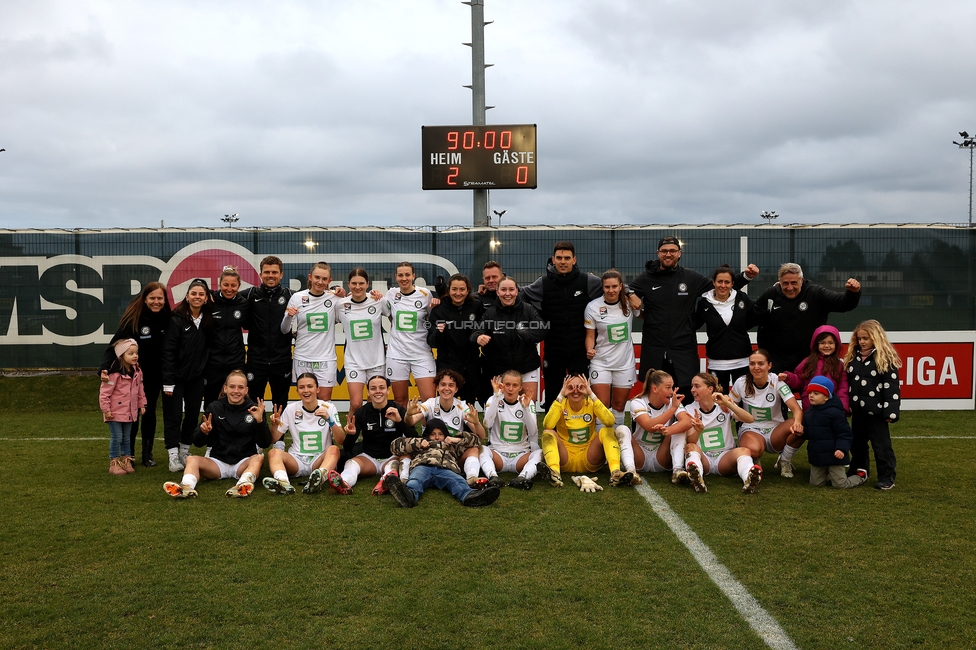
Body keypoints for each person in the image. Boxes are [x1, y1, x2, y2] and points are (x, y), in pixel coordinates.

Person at [630, 237, 758, 401]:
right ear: (658, 253)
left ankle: (683, 427)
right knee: (653, 398)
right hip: (654, 348)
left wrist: (746, 276)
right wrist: (630, 294)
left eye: (672, 251)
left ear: (679, 253)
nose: (668, 254)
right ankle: (649, 426)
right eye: (664, 251)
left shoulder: (691, 277)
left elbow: (720, 287)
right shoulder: (646, 278)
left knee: (686, 398)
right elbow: (620, 287)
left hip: (683, 350)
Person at [521, 242, 635, 410]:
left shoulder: (588, 281)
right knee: (553, 395)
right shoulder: (543, 283)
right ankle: (551, 433)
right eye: (559, 258)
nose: (563, 262)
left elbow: (613, 284)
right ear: (553, 260)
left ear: (574, 260)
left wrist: (630, 293)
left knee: (583, 396)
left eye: (567, 258)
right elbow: (519, 293)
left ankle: (584, 432)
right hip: (554, 350)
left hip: (580, 352)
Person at [163, 370, 270, 498]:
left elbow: (265, 443)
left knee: (259, 458)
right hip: (218, 463)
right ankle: (186, 487)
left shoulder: (254, 409)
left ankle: (242, 485)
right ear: (225, 388)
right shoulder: (215, 407)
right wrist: (204, 432)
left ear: (246, 390)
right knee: (191, 459)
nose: (236, 391)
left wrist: (260, 422)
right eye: (232, 387)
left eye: (240, 387)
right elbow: (197, 442)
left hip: (243, 463)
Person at [98, 281, 170, 467]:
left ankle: (148, 453)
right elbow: (115, 345)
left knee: (149, 412)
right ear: (145, 299)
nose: (156, 302)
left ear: (165, 299)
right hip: (134, 377)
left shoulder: (169, 318)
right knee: (132, 413)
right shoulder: (134, 319)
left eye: (160, 298)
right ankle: (128, 455)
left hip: (157, 375)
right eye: (152, 298)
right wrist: (104, 368)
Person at [754, 262, 861, 373]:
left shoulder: (815, 293)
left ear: (802, 280)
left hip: (810, 361)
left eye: (794, 283)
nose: (790, 288)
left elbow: (843, 303)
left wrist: (853, 293)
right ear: (779, 282)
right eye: (785, 283)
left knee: (810, 391)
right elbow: (751, 316)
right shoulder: (770, 295)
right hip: (778, 363)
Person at [535, 374, 633, 490]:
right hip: (566, 458)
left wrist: (591, 394)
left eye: (580, 387)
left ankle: (616, 473)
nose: (576, 390)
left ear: (586, 388)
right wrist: (561, 394)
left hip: (589, 457)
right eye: (571, 387)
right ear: (565, 388)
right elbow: (548, 425)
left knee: (607, 430)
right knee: (548, 432)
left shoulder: (591, 403)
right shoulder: (560, 404)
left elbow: (610, 421)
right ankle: (554, 472)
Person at [776, 325, 848, 475]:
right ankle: (784, 460)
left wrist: (842, 408)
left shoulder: (840, 365)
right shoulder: (808, 362)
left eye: (830, 342)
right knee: (800, 434)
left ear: (837, 345)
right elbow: (799, 381)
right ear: (816, 344)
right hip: (811, 411)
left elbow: (843, 388)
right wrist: (788, 377)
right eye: (822, 342)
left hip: (832, 413)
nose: (826, 346)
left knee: (832, 437)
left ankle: (833, 465)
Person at [382, 418, 501, 508]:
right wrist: (418, 442)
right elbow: (394, 446)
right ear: (428, 434)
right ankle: (409, 495)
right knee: (415, 480)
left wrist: (456, 439)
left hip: (446, 469)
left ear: (445, 434)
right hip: (423, 466)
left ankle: (470, 496)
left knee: (457, 481)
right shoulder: (421, 443)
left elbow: (476, 441)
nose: (437, 437)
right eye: (433, 434)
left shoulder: (452, 446)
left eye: (440, 434)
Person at [261, 373, 346, 496]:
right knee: (273, 453)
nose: (306, 390)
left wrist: (329, 419)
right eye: (301, 387)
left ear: (317, 389)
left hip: (319, 459)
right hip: (296, 460)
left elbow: (341, 440)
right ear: (297, 391)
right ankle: (283, 482)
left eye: (310, 386)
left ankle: (319, 478)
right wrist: (274, 425)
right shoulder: (291, 409)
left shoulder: (329, 407)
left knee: (334, 449)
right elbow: (274, 438)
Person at [161, 278, 213, 473]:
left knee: (192, 415)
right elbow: (168, 352)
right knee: (173, 416)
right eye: (194, 293)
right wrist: (168, 381)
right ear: (187, 296)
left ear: (206, 298)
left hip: (196, 378)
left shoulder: (208, 320)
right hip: (175, 378)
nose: (197, 297)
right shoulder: (176, 319)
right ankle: (173, 456)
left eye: (201, 294)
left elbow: (208, 350)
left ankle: (184, 450)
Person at [681, 373, 761, 494]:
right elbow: (691, 441)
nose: (692, 390)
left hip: (725, 458)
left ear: (710, 389)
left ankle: (749, 478)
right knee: (689, 447)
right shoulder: (689, 409)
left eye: (697, 386)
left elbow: (749, 419)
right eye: (692, 386)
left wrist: (729, 404)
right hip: (704, 458)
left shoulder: (723, 405)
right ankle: (697, 477)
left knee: (744, 450)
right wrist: (699, 430)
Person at [844, 319, 901, 490]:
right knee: (857, 444)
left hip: (877, 414)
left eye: (866, 338)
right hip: (858, 412)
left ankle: (887, 476)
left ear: (876, 338)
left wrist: (890, 413)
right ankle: (859, 470)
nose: (862, 342)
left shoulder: (885, 360)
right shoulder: (852, 359)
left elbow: (891, 389)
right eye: (859, 338)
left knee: (881, 446)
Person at [337, 375, 416, 495]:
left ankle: (385, 481)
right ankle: (344, 483)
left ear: (388, 390)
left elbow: (414, 438)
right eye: (373, 388)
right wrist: (351, 435)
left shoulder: (397, 409)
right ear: (368, 392)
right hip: (369, 458)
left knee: (394, 466)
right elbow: (347, 448)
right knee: (351, 464)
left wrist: (400, 421)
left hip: (392, 456)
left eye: (382, 387)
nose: (378, 391)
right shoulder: (362, 412)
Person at [404, 369, 486, 484]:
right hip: (431, 452)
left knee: (475, 449)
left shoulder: (462, 407)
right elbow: (410, 422)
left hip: (452, 454)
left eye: (451, 385)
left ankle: (472, 478)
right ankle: (403, 477)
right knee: (406, 446)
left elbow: (481, 436)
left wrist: (476, 423)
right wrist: (408, 414)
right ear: (437, 387)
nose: (446, 388)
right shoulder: (430, 403)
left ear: (456, 389)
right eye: (443, 384)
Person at [730, 350, 803, 475]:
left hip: (775, 431)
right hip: (751, 429)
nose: (756, 367)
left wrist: (797, 423)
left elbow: (796, 409)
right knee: (754, 449)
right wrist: (736, 414)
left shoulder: (777, 381)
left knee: (800, 426)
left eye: (761, 363)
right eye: (752, 364)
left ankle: (784, 461)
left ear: (769, 365)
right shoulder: (741, 383)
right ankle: (754, 459)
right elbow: (730, 407)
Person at [474, 277, 546, 404]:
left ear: (517, 291)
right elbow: (476, 331)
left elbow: (542, 330)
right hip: (498, 369)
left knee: (528, 406)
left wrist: (526, 333)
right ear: (497, 292)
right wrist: (478, 337)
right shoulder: (490, 314)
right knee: (501, 409)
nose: (508, 294)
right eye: (503, 290)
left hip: (526, 367)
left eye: (511, 289)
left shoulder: (528, 309)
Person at [584, 269, 640, 426]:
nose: (611, 290)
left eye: (614, 286)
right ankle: (601, 446)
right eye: (607, 287)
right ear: (602, 287)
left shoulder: (629, 303)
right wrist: (589, 349)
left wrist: (637, 300)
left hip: (624, 363)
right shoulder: (593, 307)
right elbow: (589, 336)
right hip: (600, 362)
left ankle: (618, 443)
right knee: (602, 407)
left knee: (619, 407)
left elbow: (644, 315)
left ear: (621, 286)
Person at [242, 255, 294, 413]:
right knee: (255, 402)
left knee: (281, 402)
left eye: (274, 272)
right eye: (267, 272)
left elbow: (315, 298)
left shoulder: (291, 296)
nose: (270, 275)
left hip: (282, 360)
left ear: (281, 275)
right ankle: (259, 437)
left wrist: (337, 293)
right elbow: (225, 296)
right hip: (256, 361)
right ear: (260, 274)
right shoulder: (250, 295)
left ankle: (278, 437)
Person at [281, 262, 339, 401]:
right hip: (303, 358)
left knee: (324, 400)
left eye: (324, 279)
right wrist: (289, 317)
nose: (320, 282)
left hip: (326, 358)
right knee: (306, 400)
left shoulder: (335, 298)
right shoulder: (297, 297)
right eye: (317, 277)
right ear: (310, 277)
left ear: (329, 281)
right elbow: (284, 330)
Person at [695, 264, 757, 392]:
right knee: (718, 401)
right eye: (720, 281)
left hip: (742, 361)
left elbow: (758, 314)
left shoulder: (742, 298)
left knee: (742, 401)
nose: (723, 285)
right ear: (713, 282)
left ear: (732, 283)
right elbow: (693, 325)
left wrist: (775, 292)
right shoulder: (704, 304)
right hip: (716, 363)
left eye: (727, 282)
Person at [627, 369, 695, 485]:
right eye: (668, 388)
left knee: (678, 428)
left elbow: (688, 422)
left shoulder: (673, 402)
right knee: (623, 430)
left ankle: (677, 470)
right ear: (655, 389)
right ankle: (630, 470)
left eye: (672, 387)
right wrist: (673, 409)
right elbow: (649, 426)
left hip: (662, 455)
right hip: (640, 454)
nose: (672, 392)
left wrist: (669, 430)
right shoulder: (638, 402)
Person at [383, 261, 437, 406]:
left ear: (413, 276)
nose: (404, 278)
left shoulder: (425, 294)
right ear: (396, 277)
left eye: (407, 274)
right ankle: (403, 429)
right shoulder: (391, 294)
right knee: (400, 400)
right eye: (400, 275)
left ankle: (429, 430)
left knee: (429, 401)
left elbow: (434, 318)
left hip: (421, 353)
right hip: (397, 355)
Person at [427, 273, 484, 405]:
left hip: (471, 367)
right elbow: (431, 342)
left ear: (468, 290)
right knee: (446, 405)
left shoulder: (476, 306)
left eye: (462, 289)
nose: (458, 293)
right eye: (454, 289)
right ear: (448, 290)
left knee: (469, 407)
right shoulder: (438, 310)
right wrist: (438, 332)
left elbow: (484, 326)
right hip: (447, 366)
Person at [802, 375, 867, 489]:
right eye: (810, 392)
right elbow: (809, 433)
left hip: (835, 456)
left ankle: (860, 476)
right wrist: (801, 432)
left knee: (840, 484)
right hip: (817, 456)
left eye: (816, 393)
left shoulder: (836, 413)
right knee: (815, 483)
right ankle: (829, 475)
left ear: (826, 397)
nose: (811, 395)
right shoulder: (808, 413)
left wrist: (841, 449)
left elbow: (845, 434)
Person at [337, 268, 387, 415]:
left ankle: (373, 436)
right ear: (348, 284)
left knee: (375, 403)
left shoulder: (378, 301)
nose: (357, 287)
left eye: (361, 283)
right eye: (354, 283)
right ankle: (351, 436)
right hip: (354, 361)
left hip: (376, 361)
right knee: (356, 403)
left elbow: (394, 316)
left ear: (367, 284)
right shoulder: (340, 305)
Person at [481, 370, 542, 489]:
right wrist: (496, 397)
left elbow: (533, 431)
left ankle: (523, 477)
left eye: (515, 385)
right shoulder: (493, 399)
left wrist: (526, 409)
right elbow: (487, 424)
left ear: (520, 388)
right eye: (507, 384)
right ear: (501, 385)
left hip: (520, 455)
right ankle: (493, 477)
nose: (510, 389)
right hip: (498, 454)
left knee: (540, 453)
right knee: (482, 449)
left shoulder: (527, 402)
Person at [100, 338, 147, 475]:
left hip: (130, 412)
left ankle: (127, 460)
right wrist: (106, 410)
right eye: (131, 353)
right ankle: (114, 463)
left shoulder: (137, 372)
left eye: (136, 353)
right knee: (117, 437)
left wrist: (141, 404)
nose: (135, 356)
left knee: (127, 437)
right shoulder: (113, 374)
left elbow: (140, 389)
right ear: (121, 355)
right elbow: (104, 393)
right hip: (114, 412)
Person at [204, 266, 249, 407]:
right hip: (213, 362)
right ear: (219, 284)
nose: (229, 289)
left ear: (239, 286)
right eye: (225, 285)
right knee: (211, 404)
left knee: (235, 401)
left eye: (233, 285)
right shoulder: (210, 301)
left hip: (235, 362)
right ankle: (209, 429)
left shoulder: (244, 304)